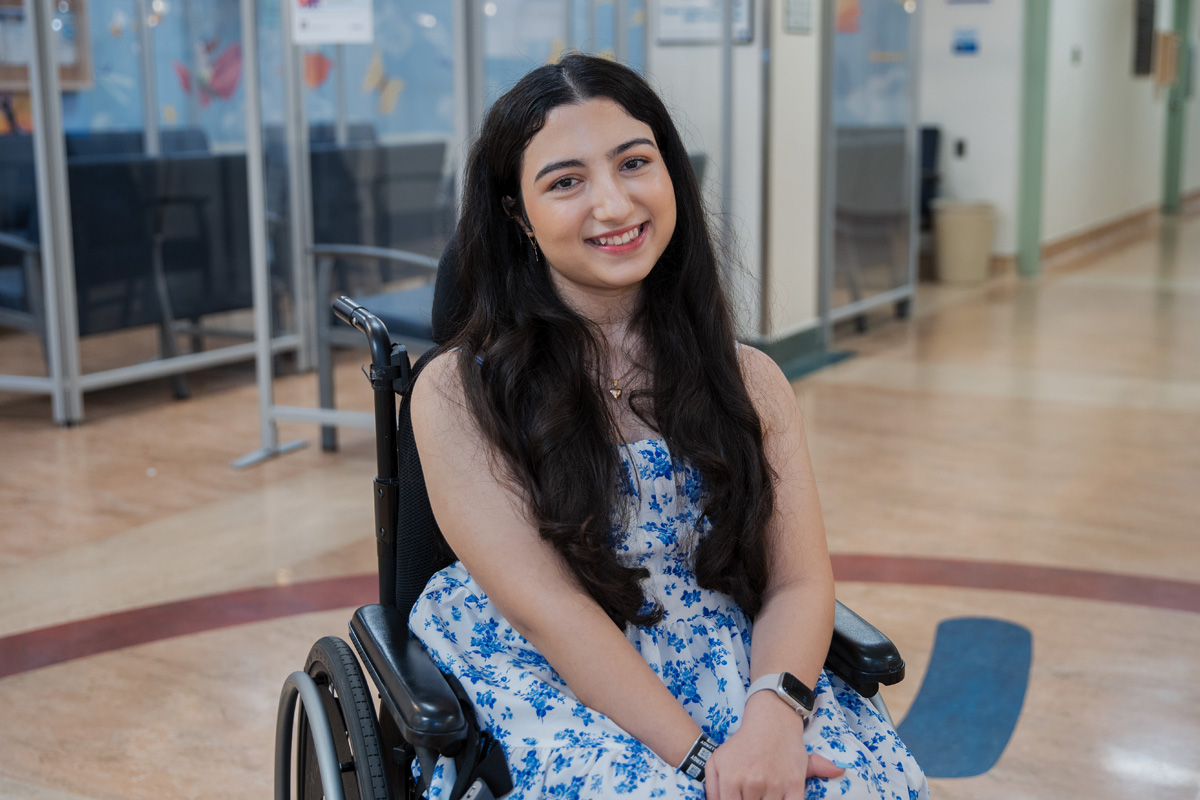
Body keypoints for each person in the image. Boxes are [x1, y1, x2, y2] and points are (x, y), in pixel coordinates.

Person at [409, 54, 928, 800]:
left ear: (672, 175)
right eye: (566, 181)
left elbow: (799, 579)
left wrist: (774, 720)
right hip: (548, 665)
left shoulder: (749, 379)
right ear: (517, 214)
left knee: (854, 788)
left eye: (634, 164)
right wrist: (701, 763)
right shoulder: (459, 393)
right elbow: (551, 612)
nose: (615, 205)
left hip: (725, 651)